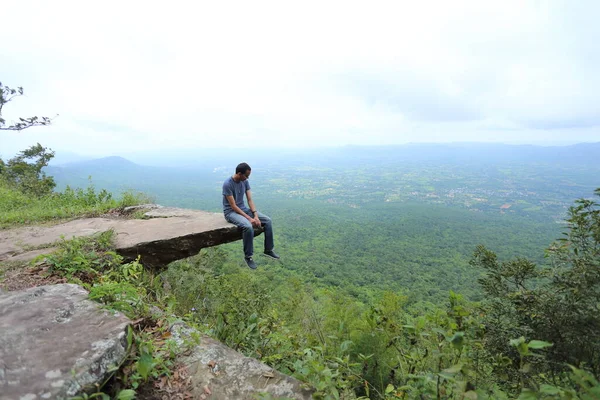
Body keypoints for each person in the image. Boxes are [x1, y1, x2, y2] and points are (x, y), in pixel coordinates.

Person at [222, 162, 280, 269]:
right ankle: (248, 256)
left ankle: (268, 249)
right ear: (239, 173)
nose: (247, 178)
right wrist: (249, 218)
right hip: (231, 212)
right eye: (246, 175)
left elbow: (249, 200)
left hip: (243, 209)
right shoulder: (228, 184)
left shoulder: (245, 182)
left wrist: (256, 216)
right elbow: (233, 206)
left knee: (268, 221)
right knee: (248, 227)